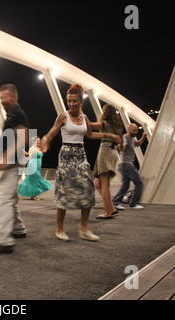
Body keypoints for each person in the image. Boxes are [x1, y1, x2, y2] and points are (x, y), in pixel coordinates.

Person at [41, 84, 121, 242]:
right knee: (64, 193)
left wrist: (110, 136)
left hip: (81, 155)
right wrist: (45, 141)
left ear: (81, 101)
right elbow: (51, 133)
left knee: (88, 190)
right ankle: (59, 229)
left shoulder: (84, 118)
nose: (71, 104)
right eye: (69, 101)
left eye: (74, 101)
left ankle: (84, 229)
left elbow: (90, 135)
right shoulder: (63, 116)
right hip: (66, 156)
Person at [0, 84, 29, 254]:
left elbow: (22, 137)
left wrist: (5, 158)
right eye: (0, 97)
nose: (1, 101)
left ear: (14, 97)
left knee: (5, 200)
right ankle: (18, 229)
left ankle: (4, 241)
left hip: (11, 162)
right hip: (13, 161)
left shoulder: (17, 114)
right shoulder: (12, 115)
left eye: (4, 97)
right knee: (11, 197)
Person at [91, 104, 124, 219]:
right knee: (97, 183)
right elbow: (122, 145)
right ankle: (111, 208)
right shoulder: (118, 126)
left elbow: (90, 126)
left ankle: (108, 211)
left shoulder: (104, 124)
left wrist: (79, 118)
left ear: (105, 113)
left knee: (105, 184)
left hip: (105, 151)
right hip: (113, 151)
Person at [112, 123, 147, 210]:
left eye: (136, 130)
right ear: (128, 129)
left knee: (125, 185)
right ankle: (133, 203)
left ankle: (116, 202)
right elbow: (121, 147)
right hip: (126, 164)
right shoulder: (126, 137)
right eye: (133, 130)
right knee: (139, 183)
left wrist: (143, 137)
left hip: (125, 164)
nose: (135, 132)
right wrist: (121, 146)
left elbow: (137, 144)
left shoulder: (132, 138)